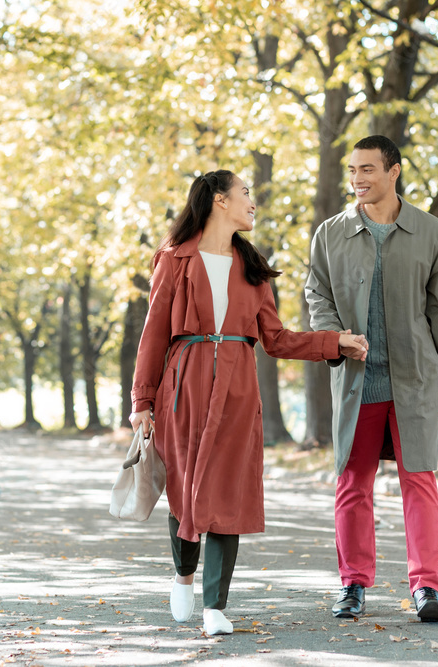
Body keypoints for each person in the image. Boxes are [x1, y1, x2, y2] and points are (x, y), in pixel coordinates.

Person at [130, 170, 368, 636]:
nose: (252, 202)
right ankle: (183, 576)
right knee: (183, 487)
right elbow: (154, 330)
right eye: (246, 194)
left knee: (226, 492)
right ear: (220, 200)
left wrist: (333, 342)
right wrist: (143, 398)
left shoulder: (253, 266)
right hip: (183, 384)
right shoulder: (174, 258)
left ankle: (215, 606)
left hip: (238, 389)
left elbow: (276, 340)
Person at [305, 135, 438, 622]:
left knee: (419, 479)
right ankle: (353, 585)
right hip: (357, 379)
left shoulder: (430, 232)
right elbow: (317, 294)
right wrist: (335, 338)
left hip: (414, 380)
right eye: (353, 170)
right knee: (353, 482)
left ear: (394, 171)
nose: (357, 179)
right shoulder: (330, 233)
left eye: (368, 170)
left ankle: (427, 589)